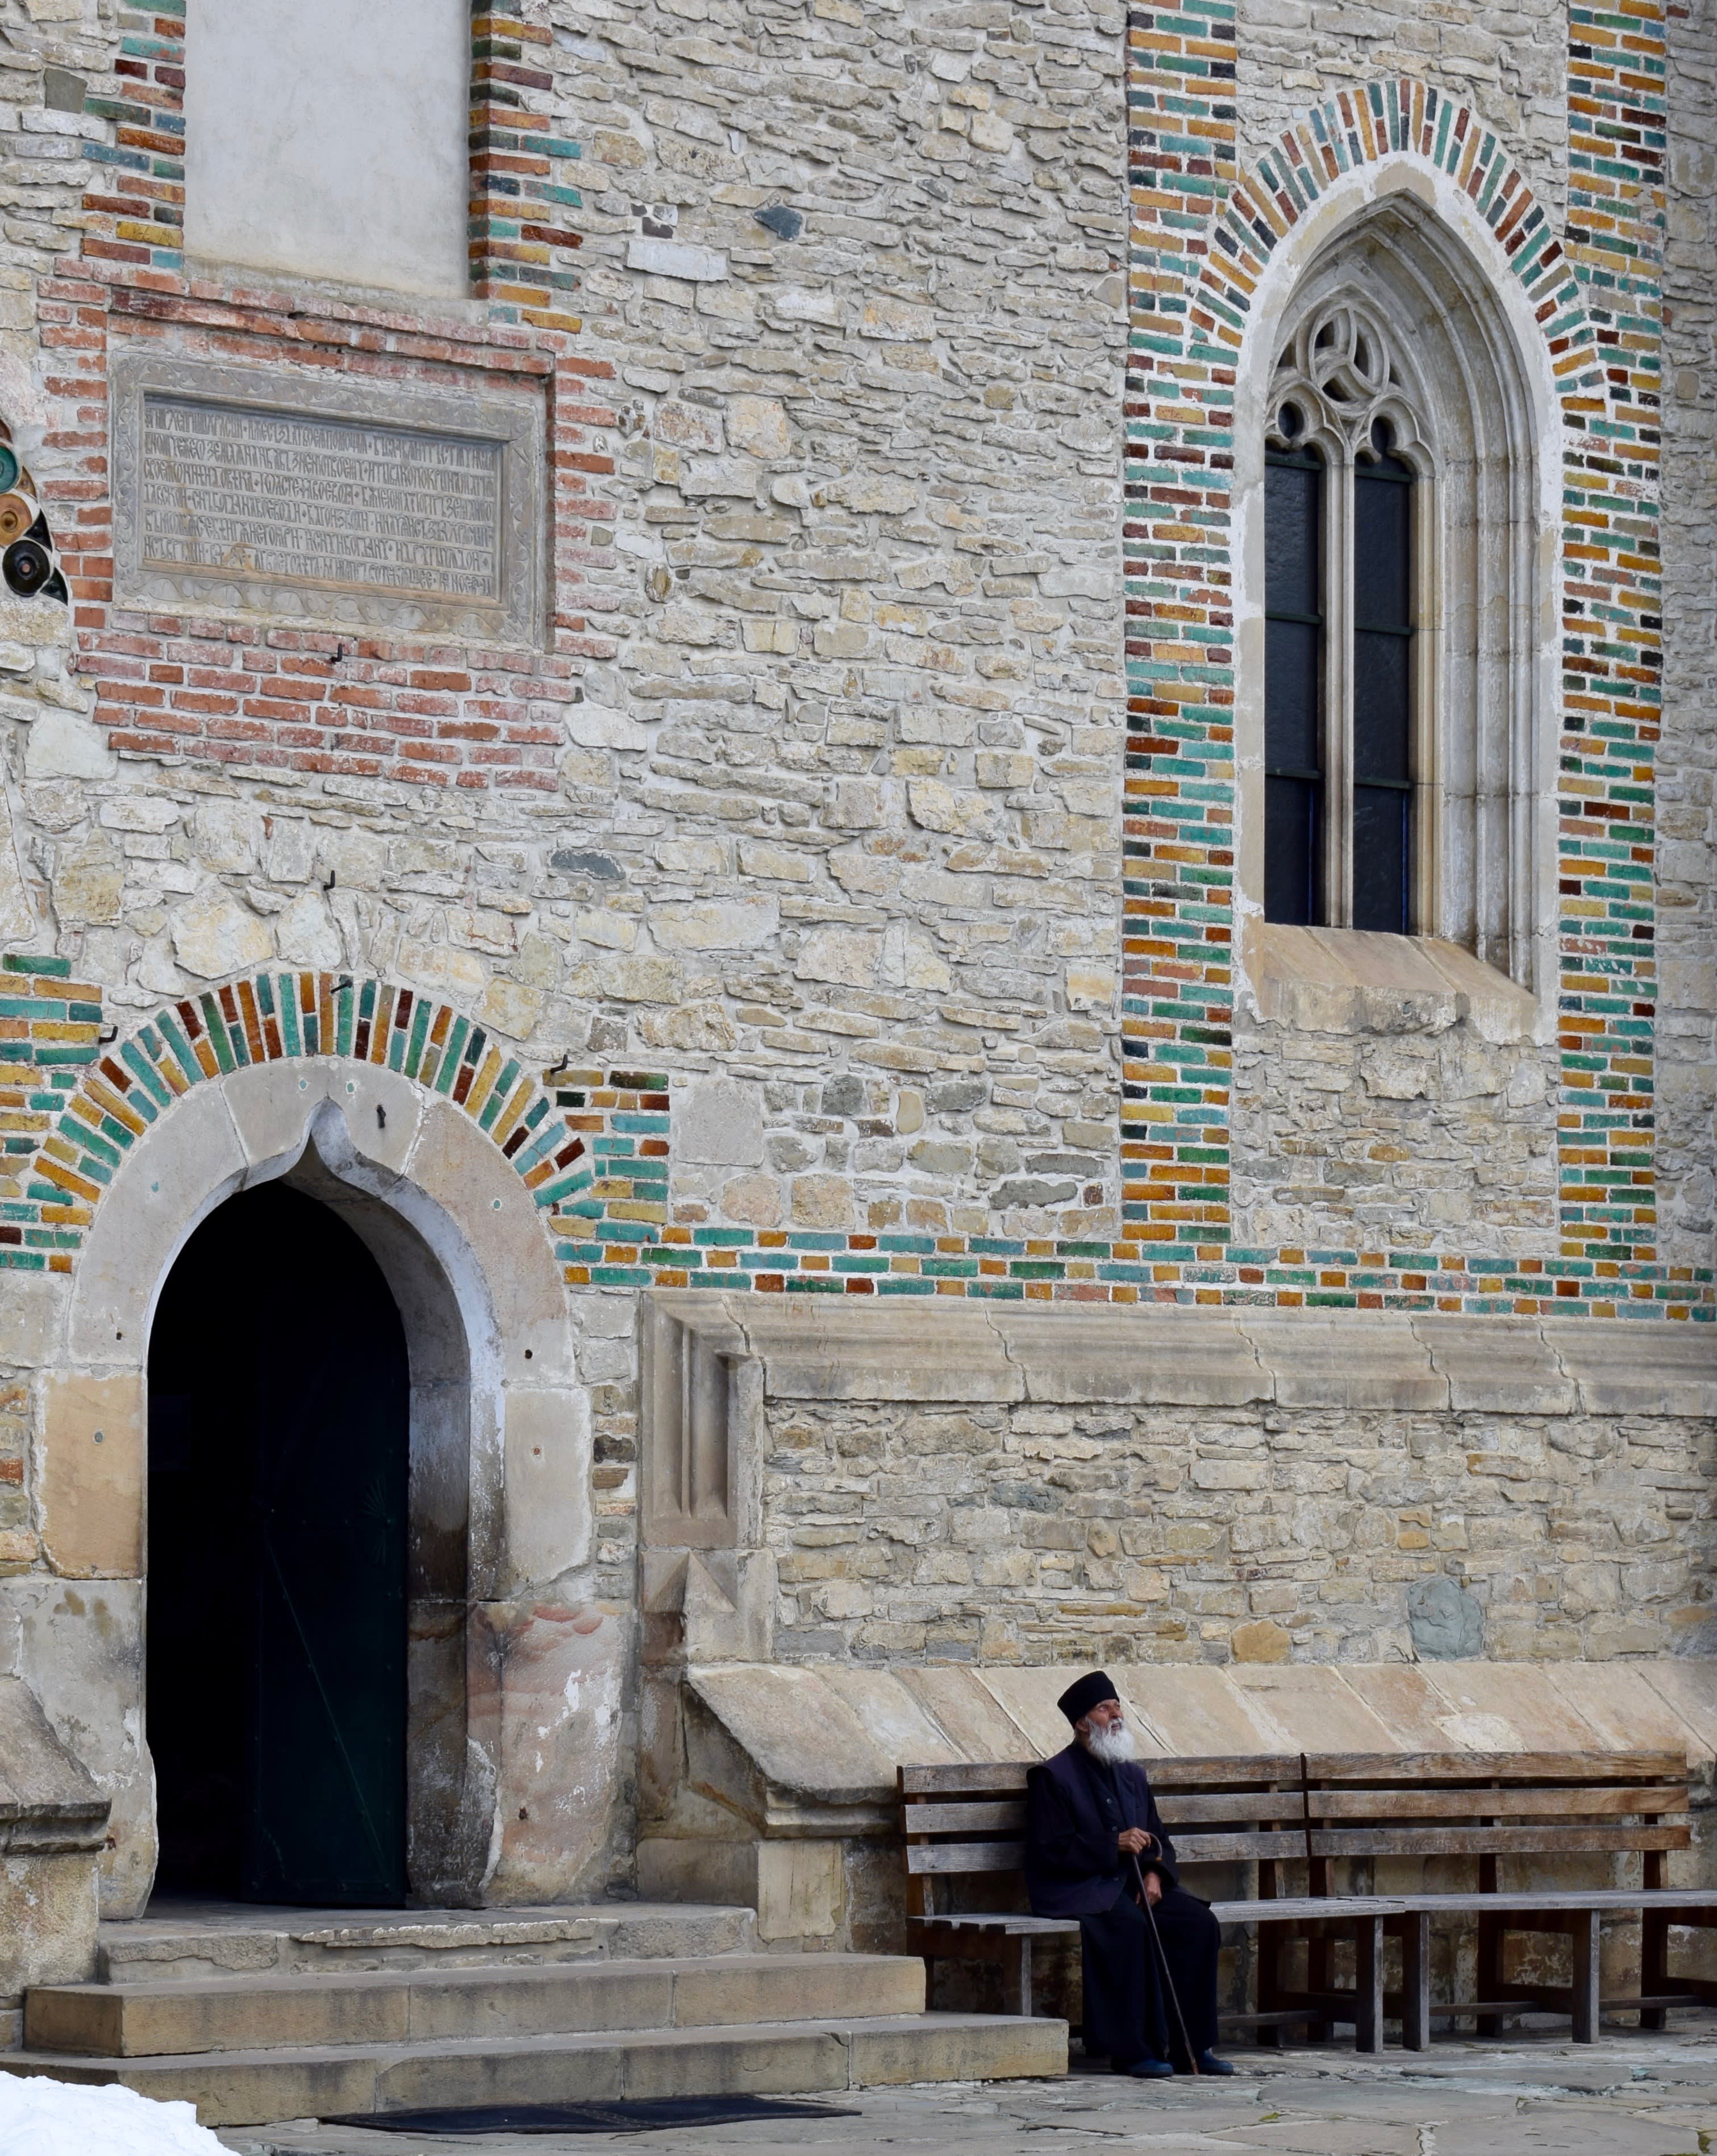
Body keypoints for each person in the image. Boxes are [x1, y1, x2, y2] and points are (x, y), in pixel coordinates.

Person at [1023, 1670, 1232, 2078]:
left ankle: (1193, 2043)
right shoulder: (1053, 1777)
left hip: (1135, 1884)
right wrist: (1112, 1844)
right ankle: (1133, 2049)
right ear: (1083, 1722)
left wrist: (1156, 1875)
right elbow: (1051, 1850)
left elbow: (1160, 1839)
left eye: (1117, 1705)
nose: (1116, 1713)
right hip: (1080, 1888)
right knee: (1129, 1926)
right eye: (1104, 1708)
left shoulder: (1133, 1776)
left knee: (1198, 1923)